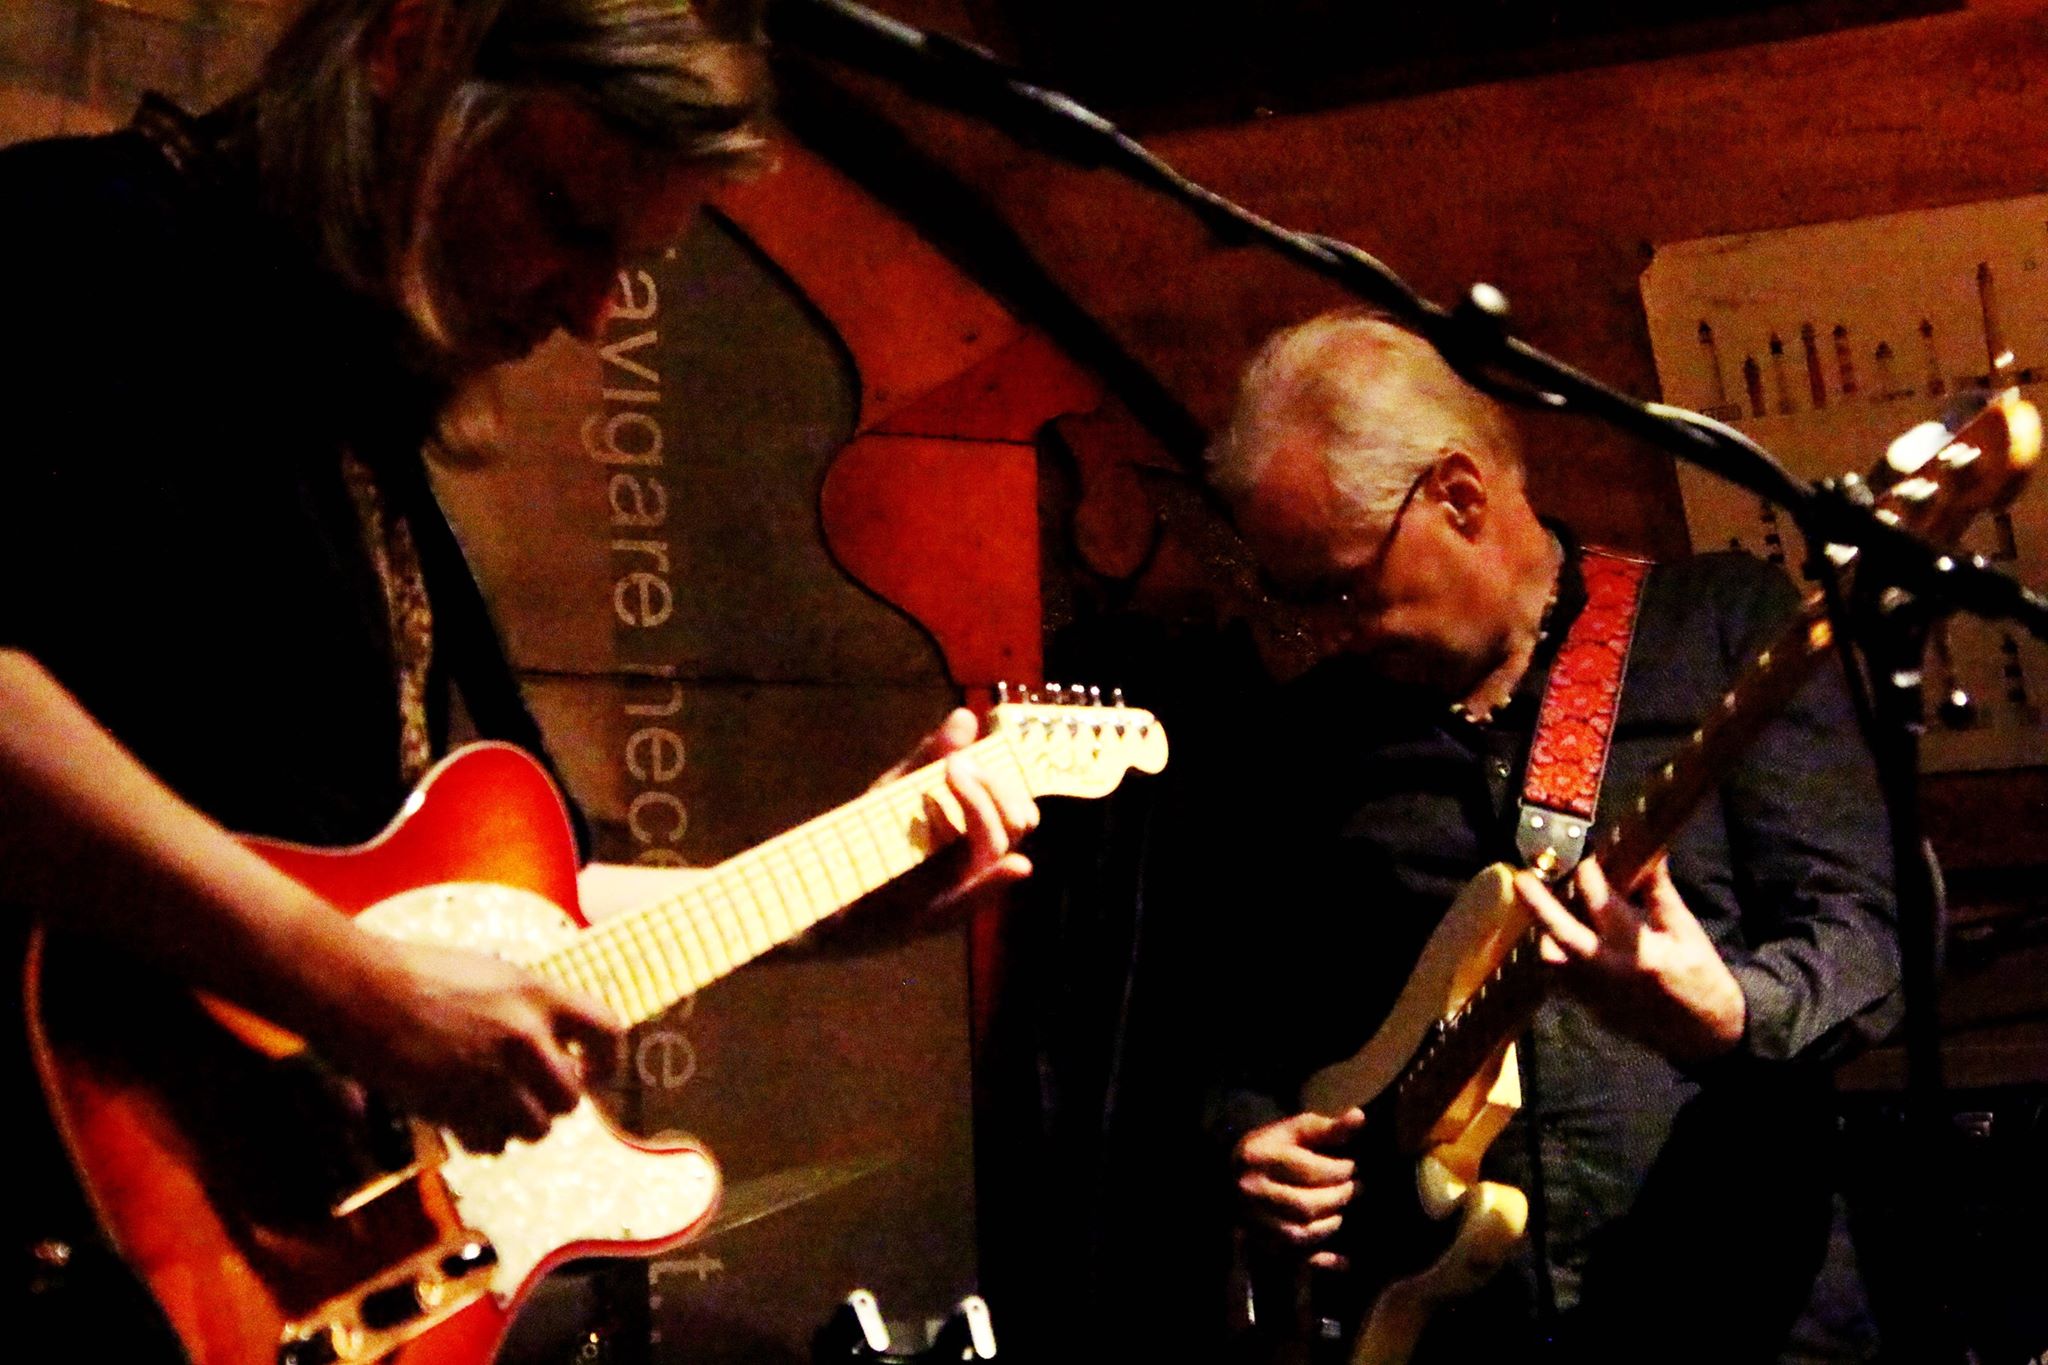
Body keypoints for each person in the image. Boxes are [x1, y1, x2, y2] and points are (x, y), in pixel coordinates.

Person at [0, 0, 1036, 1349]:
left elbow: (457, 922)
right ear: (409, 47)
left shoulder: (349, 420)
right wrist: (359, 996)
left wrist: (836, 890)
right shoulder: (79, 244)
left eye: (629, 264)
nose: (590, 310)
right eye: (566, 217)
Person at [1205, 312, 1901, 1362]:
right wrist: (1245, 1136)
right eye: (1295, 601)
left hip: (1738, 1311)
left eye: (1344, 587)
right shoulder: (1308, 738)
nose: (1331, 631)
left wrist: (1731, 1012)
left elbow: (1870, 933)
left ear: (1457, 495)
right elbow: (1238, 1017)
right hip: (1448, 1332)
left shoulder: (1719, 631)